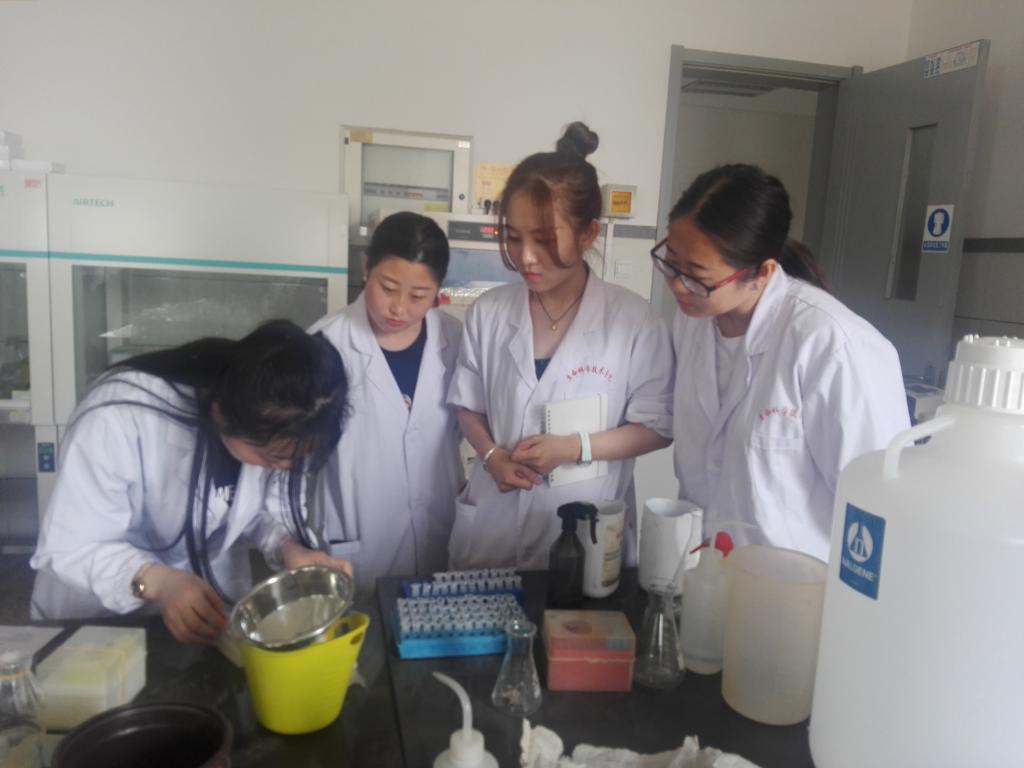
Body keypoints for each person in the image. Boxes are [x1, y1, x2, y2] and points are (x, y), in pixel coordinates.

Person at [31, 320, 352, 643]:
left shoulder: (277, 416)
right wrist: (158, 581)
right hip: (95, 618)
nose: (283, 468)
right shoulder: (118, 418)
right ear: (220, 415)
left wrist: (289, 547)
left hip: (202, 609)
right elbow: (72, 546)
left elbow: (250, 508)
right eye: (273, 458)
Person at [448, 122, 674, 570]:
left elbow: (657, 427)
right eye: (514, 238)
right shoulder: (489, 312)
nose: (526, 257)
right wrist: (492, 457)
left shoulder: (635, 322)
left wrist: (575, 448)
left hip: (589, 527)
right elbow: (467, 406)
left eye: (545, 240)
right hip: (494, 525)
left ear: (589, 233)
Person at [658, 163, 910, 561]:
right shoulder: (693, 321)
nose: (676, 285)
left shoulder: (834, 346)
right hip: (705, 571)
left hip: (798, 585)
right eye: (671, 262)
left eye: (696, 275)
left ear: (762, 273)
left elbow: (879, 504)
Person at [301, 211, 463, 591]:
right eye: (388, 288)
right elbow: (295, 464)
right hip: (356, 545)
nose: (399, 308)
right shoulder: (325, 345)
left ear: (437, 290)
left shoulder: (455, 339)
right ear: (365, 269)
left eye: (418, 295)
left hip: (439, 537)